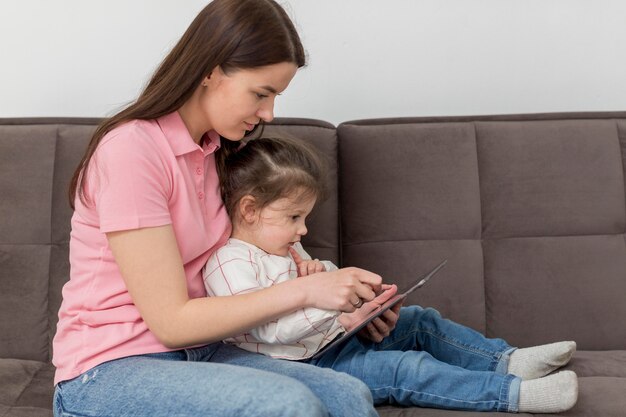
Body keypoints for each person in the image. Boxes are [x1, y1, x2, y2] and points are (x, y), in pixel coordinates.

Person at [52, 1, 386, 416]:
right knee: (286, 404)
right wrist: (305, 290)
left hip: (205, 351)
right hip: (109, 368)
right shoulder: (131, 151)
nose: (268, 113)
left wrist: (346, 309)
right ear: (210, 71)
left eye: (275, 97)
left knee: (348, 396)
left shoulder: (216, 153)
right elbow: (171, 323)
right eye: (261, 94)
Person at [203, 136, 580, 414]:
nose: (303, 230)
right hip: (307, 365)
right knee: (405, 369)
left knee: (420, 321)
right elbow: (269, 330)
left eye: (306, 218)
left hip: (334, 339)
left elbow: (327, 285)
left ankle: (507, 360)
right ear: (250, 210)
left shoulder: (285, 246)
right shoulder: (230, 264)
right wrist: (324, 298)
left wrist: (357, 301)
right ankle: (513, 393)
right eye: (294, 218)